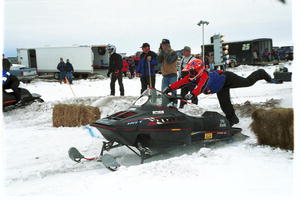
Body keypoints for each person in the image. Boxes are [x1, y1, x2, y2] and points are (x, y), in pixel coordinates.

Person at [163, 59, 282, 126]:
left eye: (193, 71)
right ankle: (233, 120)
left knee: (247, 82)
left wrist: (193, 94)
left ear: (199, 70)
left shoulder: (204, 76)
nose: (191, 73)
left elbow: (201, 87)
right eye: (190, 71)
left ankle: (261, 73)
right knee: (224, 104)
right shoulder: (191, 76)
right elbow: (180, 83)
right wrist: (168, 89)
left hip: (227, 79)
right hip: (220, 87)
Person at [158, 39, 178, 104]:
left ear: (168, 45)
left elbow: (169, 61)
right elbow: (159, 61)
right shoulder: (162, 52)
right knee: (163, 92)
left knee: (173, 91)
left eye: (165, 45)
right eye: (163, 45)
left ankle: (174, 104)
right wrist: (161, 52)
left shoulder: (173, 53)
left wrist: (166, 53)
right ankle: (164, 104)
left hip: (173, 75)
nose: (164, 46)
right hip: (165, 75)